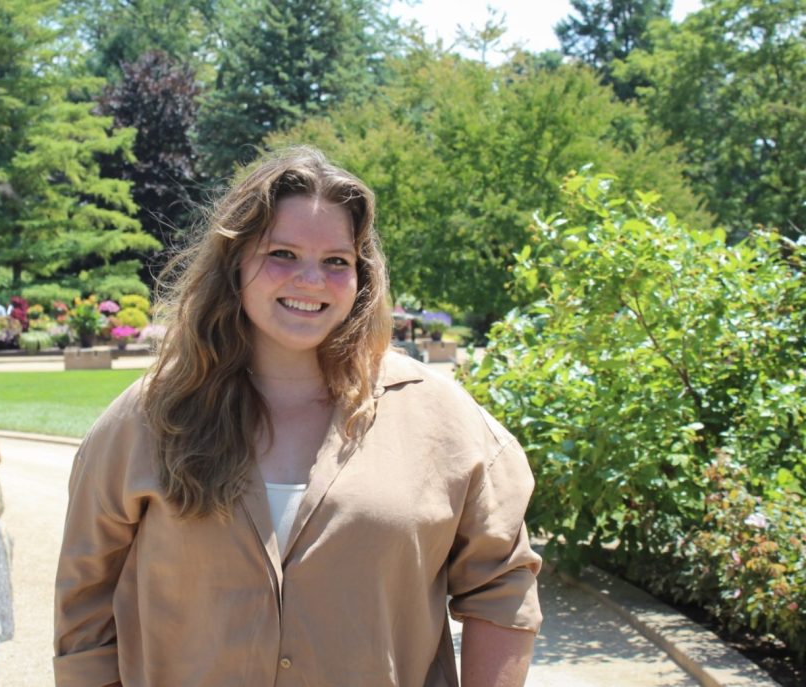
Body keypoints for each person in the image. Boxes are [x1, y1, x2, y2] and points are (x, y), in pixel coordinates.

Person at [53, 147, 541, 687]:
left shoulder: (439, 417)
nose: (311, 279)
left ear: (362, 276)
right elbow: (85, 611)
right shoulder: (145, 421)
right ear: (234, 263)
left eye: (337, 261)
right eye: (282, 253)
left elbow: (504, 586)